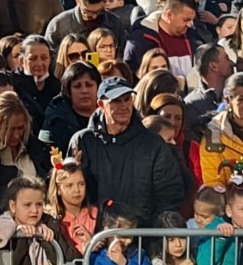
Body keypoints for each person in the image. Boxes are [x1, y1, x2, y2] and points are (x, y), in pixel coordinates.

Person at [69, 76, 183, 227]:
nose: (123, 105)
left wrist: (152, 232)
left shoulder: (153, 144)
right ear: (101, 105)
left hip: (141, 234)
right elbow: (70, 189)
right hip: (93, 234)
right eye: (116, 101)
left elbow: (170, 194)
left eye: (127, 99)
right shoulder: (83, 141)